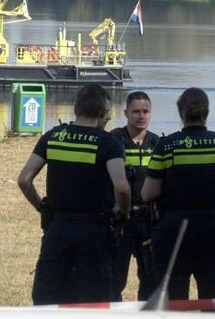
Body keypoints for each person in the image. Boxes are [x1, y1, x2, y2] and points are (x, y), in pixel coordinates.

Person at [17, 84, 131, 305]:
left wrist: (41, 206)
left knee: (48, 295)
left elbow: (24, 180)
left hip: (57, 227)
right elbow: (122, 187)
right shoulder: (109, 143)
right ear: (102, 112)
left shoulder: (53, 137)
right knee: (94, 298)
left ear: (76, 108)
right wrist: (123, 213)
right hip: (95, 230)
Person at [141, 87, 215, 304]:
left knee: (174, 298)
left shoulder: (167, 145)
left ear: (181, 113)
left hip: (175, 229)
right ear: (206, 112)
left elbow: (148, 193)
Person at [110, 91, 161, 301]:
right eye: (136, 111)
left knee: (151, 279)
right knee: (114, 279)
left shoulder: (158, 144)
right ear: (126, 113)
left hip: (150, 221)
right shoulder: (113, 141)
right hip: (121, 220)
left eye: (145, 111)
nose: (141, 116)